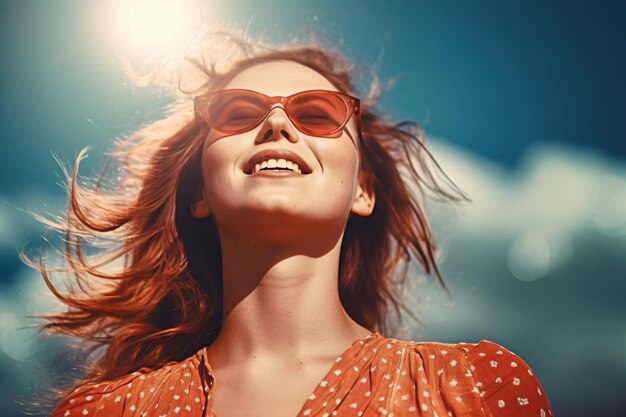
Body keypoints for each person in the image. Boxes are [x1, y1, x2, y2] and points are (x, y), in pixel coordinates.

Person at [30, 29, 553, 417]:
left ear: (363, 190)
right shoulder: (103, 410)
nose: (277, 123)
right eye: (237, 113)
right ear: (199, 195)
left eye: (319, 114)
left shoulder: (475, 388)